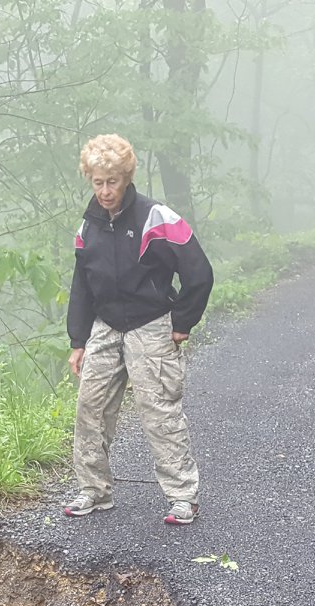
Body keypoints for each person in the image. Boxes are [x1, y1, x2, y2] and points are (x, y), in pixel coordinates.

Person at [63, 133, 214, 525]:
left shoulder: (156, 217)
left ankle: (183, 496)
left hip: (151, 326)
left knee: (159, 411)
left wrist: (182, 322)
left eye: (112, 181)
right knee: (89, 409)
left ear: (126, 177)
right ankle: (93, 491)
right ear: (90, 179)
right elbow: (82, 284)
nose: (105, 190)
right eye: (98, 182)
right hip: (105, 326)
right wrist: (78, 340)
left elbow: (198, 272)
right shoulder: (89, 225)